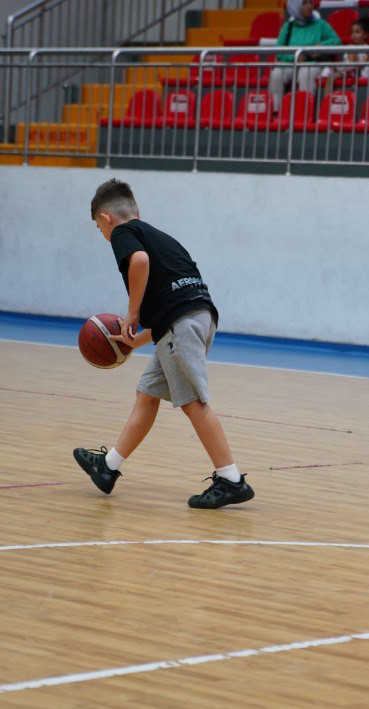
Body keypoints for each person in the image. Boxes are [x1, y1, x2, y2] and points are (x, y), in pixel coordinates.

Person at [73, 179, 255, 510]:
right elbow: (170, 312)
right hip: (195, 317)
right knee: (147, 394)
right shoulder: (162, 238)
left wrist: (131, 313)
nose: (103, 234)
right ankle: (108, 467)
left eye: (99, 228)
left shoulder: (123, 234)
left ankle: (231, 479)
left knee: (193, 403)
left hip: (182, 325)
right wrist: (132, 342)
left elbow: (139, 262)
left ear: (105, 218)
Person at [267, 0, 342, 108]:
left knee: (306, 73)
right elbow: (279, 50)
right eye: (304, 3)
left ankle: (304, 112)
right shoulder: (288, 27)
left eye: (310, 3)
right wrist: (294, 58)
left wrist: (321, 46)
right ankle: (275, 111)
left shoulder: (321, 24)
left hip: (312, 63)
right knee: (276, 74)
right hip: (292, 62)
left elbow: (336, 41)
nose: (309, 6)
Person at [323, 15, 369, 89]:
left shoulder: (368, 48)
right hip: (347, 71)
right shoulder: (349, 48)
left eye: (357, 32)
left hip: (360, 73)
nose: (354, 35)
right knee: (330, 76)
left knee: (351, 48)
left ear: (365, 35)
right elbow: (345, 62)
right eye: (352, 32)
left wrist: (351, 68)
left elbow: (364, 63)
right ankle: (327, 96)